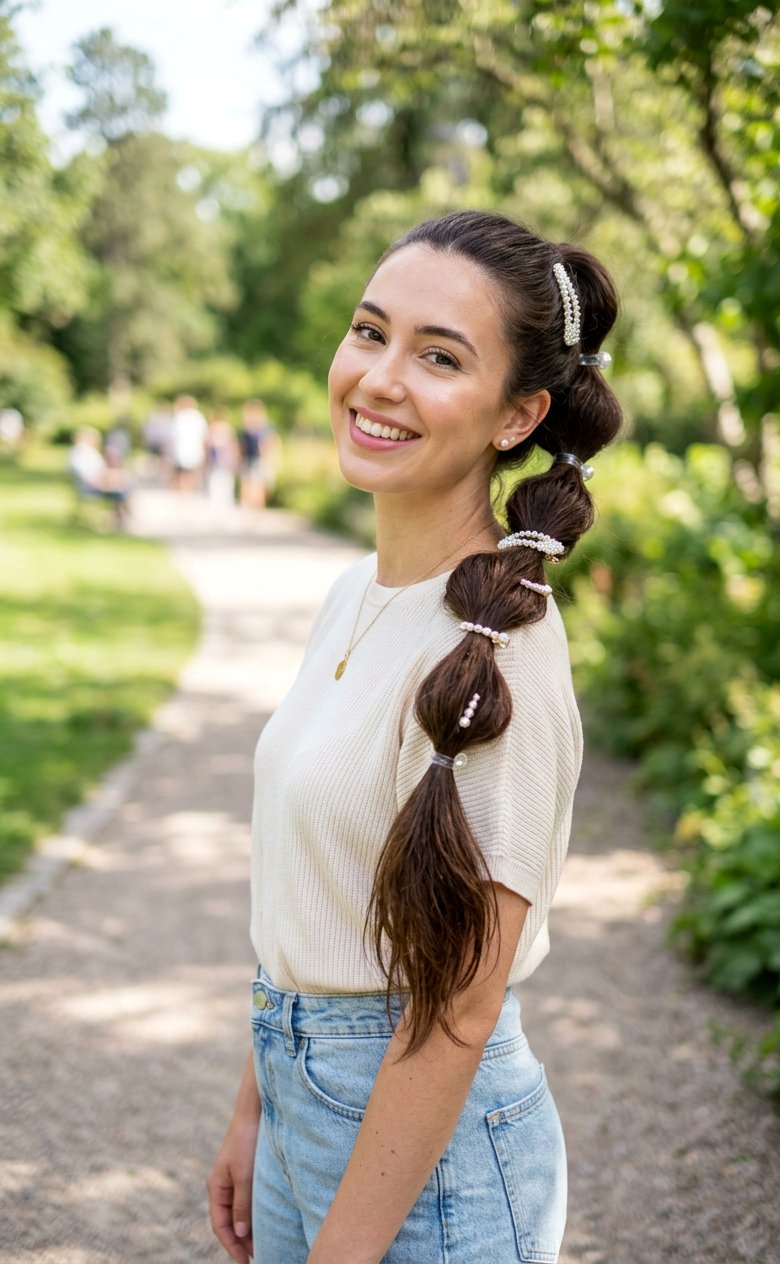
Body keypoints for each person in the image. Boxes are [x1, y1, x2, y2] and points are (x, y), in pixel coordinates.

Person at [207, 210, 622, 1264]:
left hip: (431, 1152)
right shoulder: (355, 590)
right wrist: (256, 1107)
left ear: (515, 413)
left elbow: (455, 1013)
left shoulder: (502, 654)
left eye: (438, 356)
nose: (379, 378)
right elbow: (313, 887)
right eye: (368, 331)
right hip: (302, 1090)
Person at [67, 426, 132, 528]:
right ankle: (122, 518)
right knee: (122, 490)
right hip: (90, 487)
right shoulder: (82, 453)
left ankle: (123, 517)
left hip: (94, 483)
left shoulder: (83, 452)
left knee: (124, 485)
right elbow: (89, 475)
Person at [237, 399, 277, 509]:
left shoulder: (266, 427)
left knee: (260, 484)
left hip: (260, 459)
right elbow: (242, 445)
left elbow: (271, 442)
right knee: (249, 482)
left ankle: (258, 506)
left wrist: (271, 456)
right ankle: (249, 505)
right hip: (249, 458)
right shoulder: (245, 429)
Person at [170, 395, 209, 492]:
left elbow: (172, 435)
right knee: (192, 473)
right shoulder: (198, 416)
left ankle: (182, 492)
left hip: (180, 450)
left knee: (181, 474)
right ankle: (190, 492)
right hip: (194, 450)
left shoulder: (179, 416)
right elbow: (204, 435)